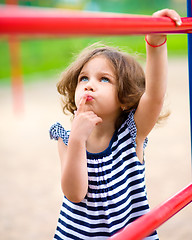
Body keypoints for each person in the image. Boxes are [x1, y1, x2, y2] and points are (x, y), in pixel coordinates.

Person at [49, 9, 182, 240]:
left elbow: (154, 97)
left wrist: (155, 43)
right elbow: (75, 193)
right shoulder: (67, 138)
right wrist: (78, 139)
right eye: (84, 78)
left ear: (124, 98)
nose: (90, 85)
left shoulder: (132, 134)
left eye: (104, 79)